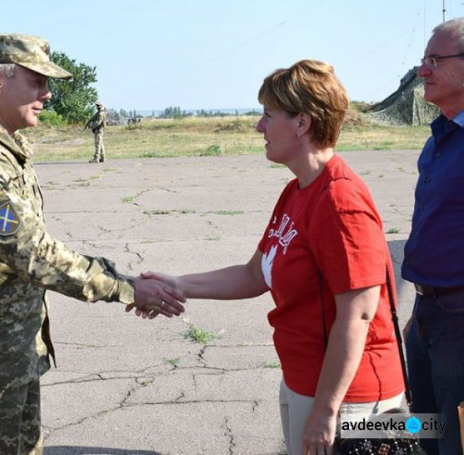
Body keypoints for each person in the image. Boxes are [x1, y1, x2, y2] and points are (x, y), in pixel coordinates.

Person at [0, 33, 187, 455]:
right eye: (36, 81)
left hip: (8, 352)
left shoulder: (2, 144)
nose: (46, 93)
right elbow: (34, 253)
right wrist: (127, 287)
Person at [132, 60, 405, 455]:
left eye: (267, 115)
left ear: (302, 123)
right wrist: (176, 284)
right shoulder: (298, 191)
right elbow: (254, 274)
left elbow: (358, 315)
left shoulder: (340, 201)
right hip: (304, 382)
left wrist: (327, 412)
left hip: (352, 399)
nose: (259, 127)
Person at [403, 17, 464, 455]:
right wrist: (420, 308)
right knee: (421, 429)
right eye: (423, 60)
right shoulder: (439, 136)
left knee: (454, 440)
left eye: (434, 60)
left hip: (459, 323)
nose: (422, 71)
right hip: (427, 314)